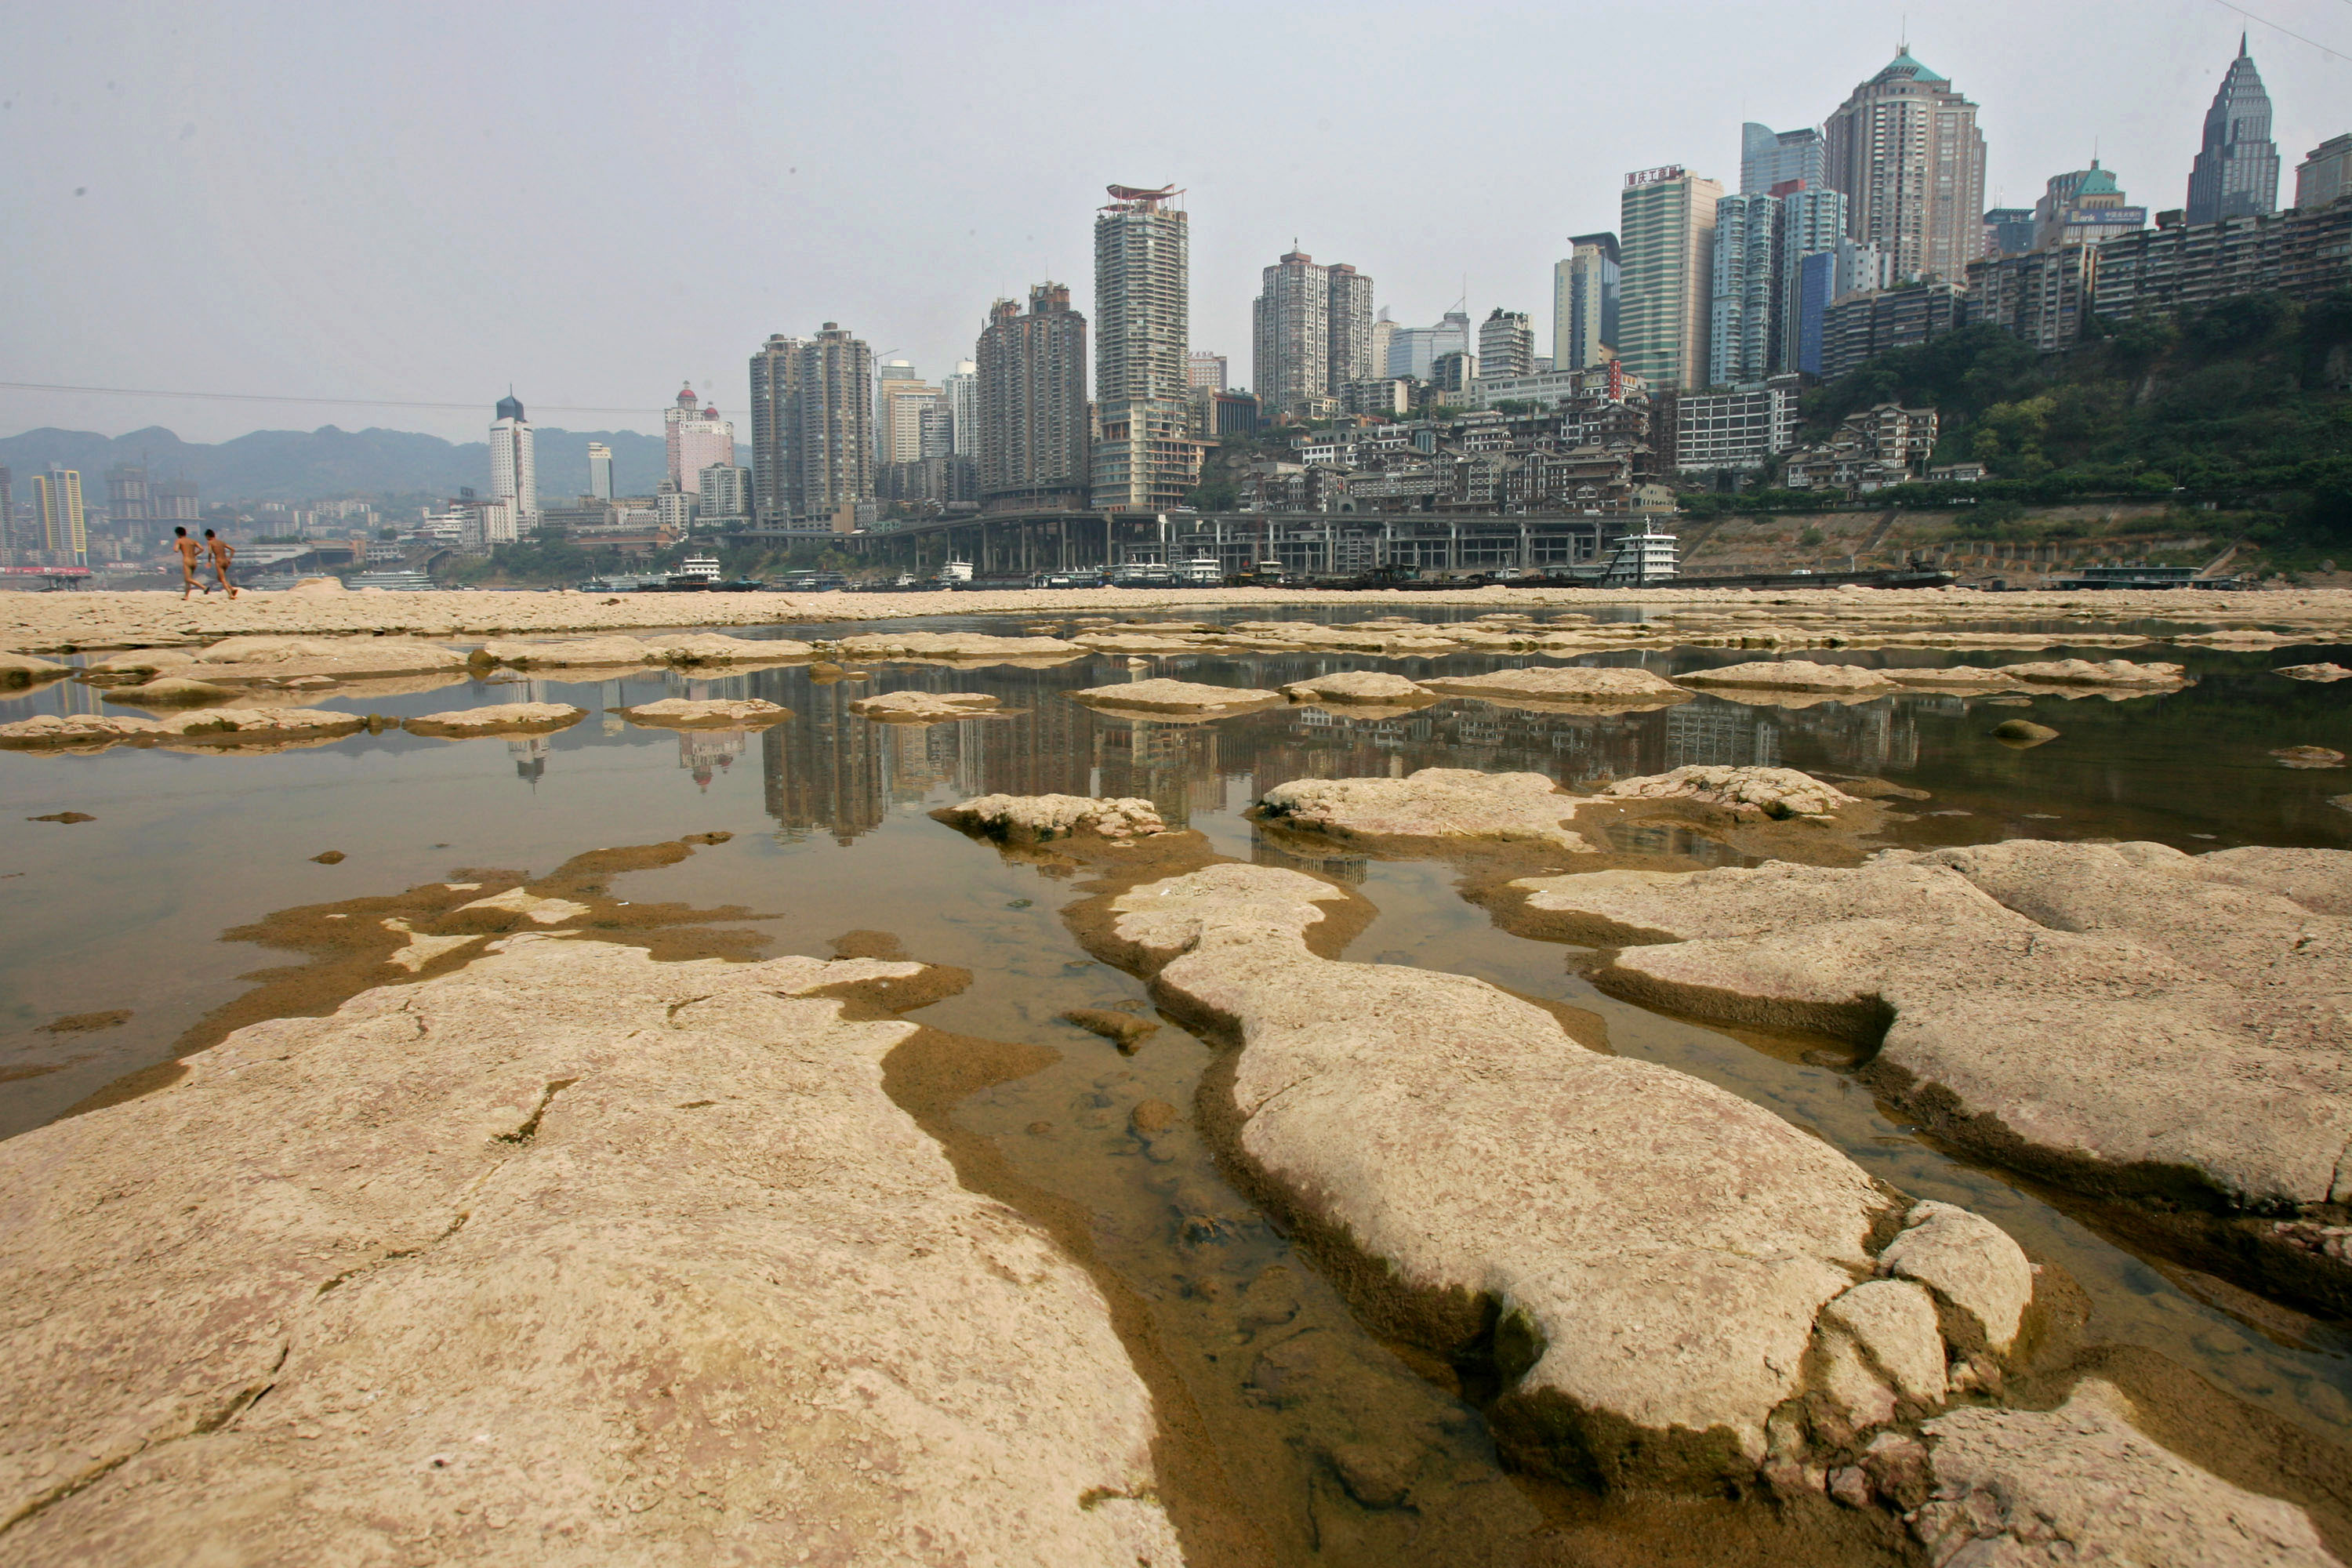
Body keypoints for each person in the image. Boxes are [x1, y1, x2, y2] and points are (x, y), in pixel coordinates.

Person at [172, 527, 206, 598]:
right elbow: (202, 549)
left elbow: (176, 550)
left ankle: (204, 587)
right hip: (194, 560)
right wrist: (195, 554)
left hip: (187, 560)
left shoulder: (179, 540)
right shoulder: (192, 541)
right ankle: (186, 596)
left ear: (178, 534)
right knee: (189, 579)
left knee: (188, 579)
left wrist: (175, 546)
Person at [204, 529, 238, 598]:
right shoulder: (221, 542)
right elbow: (232, 549)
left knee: (222, 579)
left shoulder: (210, 542)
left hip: (219, 561)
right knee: (220, 578)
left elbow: (210, 552)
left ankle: (230, 594)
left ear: (208, 536)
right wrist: (229, 559)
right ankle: (232, 589)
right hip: (225, 561)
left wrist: (209, 561)